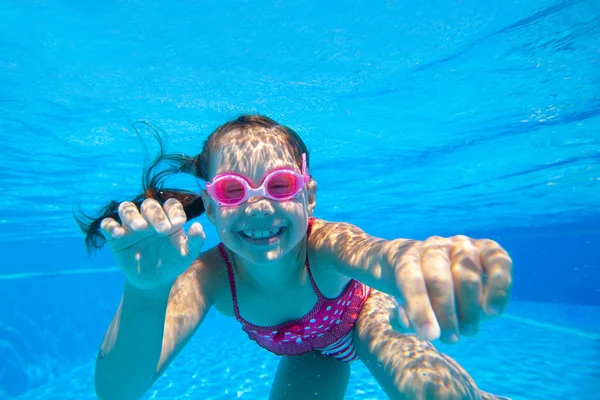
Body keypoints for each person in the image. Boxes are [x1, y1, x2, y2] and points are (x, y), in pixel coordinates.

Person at [78, 115, 513, 400]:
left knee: (429, 392)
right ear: (209, 208)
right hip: (309, 352)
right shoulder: (209, 278)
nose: (259, 207)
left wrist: (414, 260)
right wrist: (146, 292)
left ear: (308, 195)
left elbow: (377, 254)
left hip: (364, 319)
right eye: (233, 190)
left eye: (280, 185)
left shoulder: (324, 244)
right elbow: (118, 391)